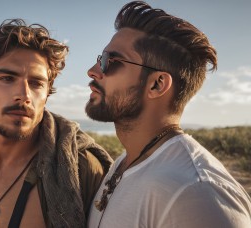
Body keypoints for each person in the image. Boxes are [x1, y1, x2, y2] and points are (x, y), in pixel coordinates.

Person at [0, 19, 113, 228]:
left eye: (36, 83)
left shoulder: (83, 167)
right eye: (7, 78)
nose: (23, 95)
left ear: (46, 95)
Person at [85, 1, 251, 227]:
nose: (93, 71)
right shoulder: (125, 163)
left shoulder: (196, 193)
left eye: (110, 62)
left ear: (157, 84)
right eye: (99, 59)